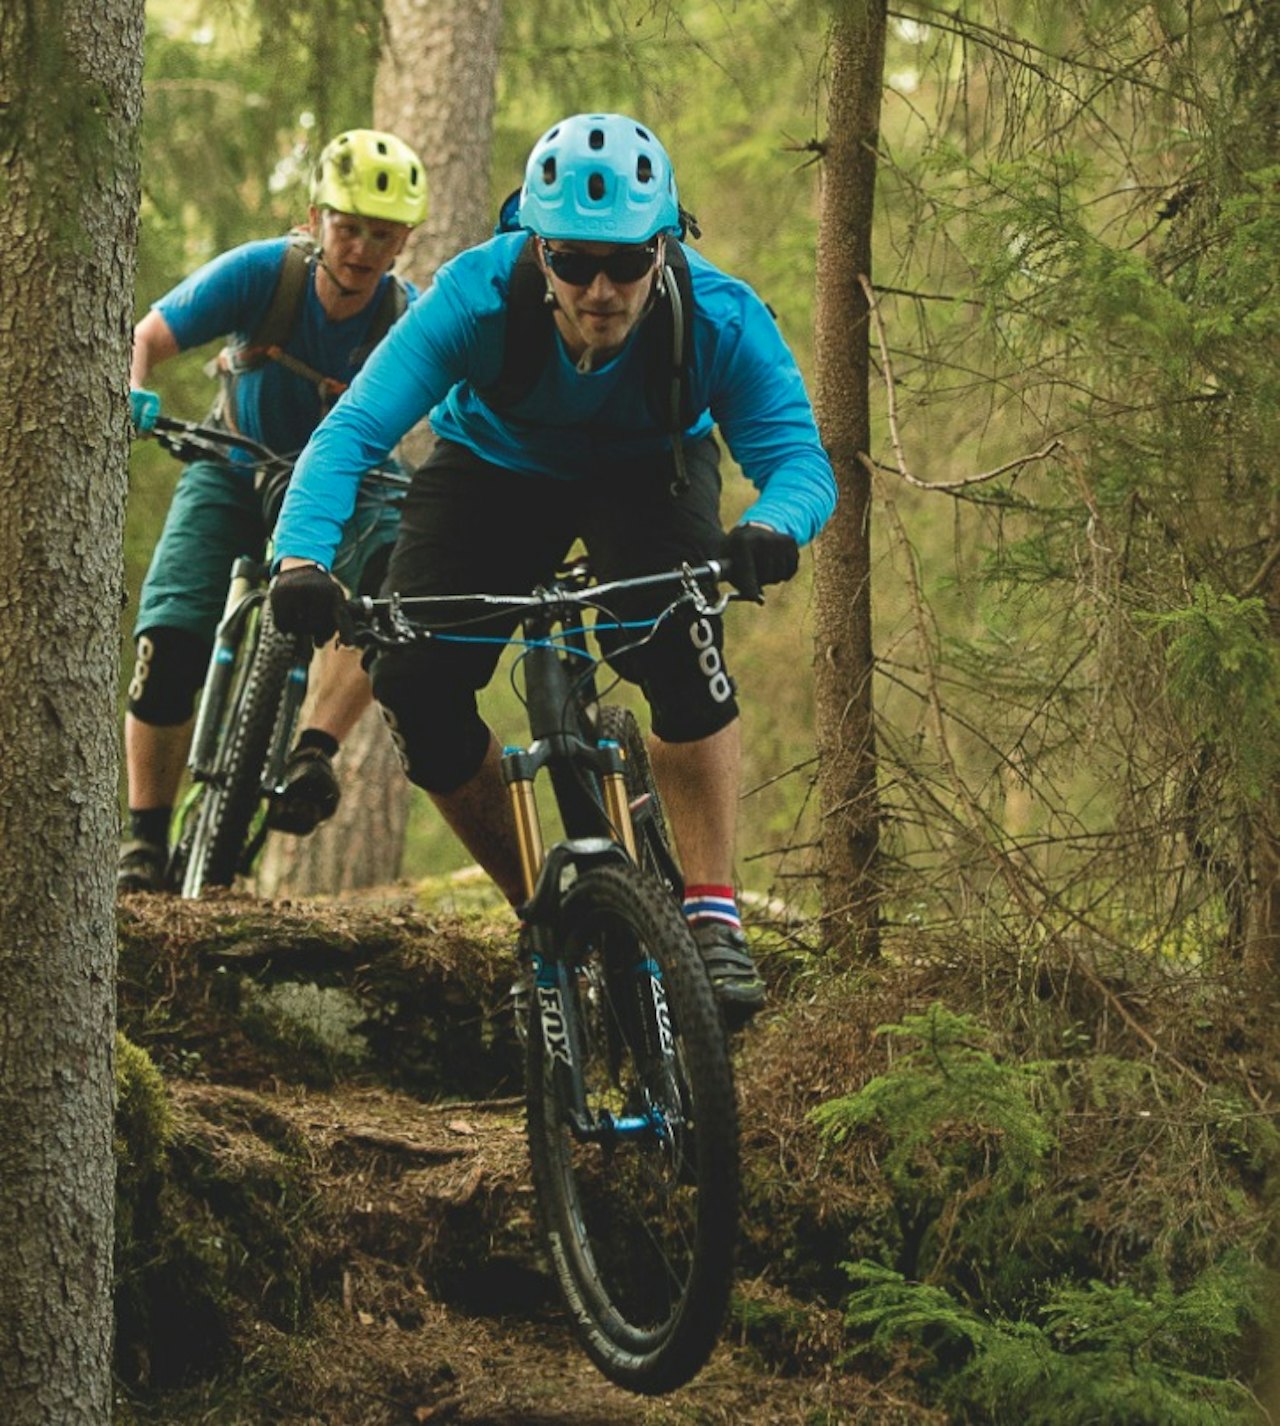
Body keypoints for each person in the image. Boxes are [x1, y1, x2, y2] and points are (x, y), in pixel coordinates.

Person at [269, 112, 836, 1022]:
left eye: (626, 262)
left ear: (667, 247)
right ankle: (542, 908)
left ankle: (713, 913)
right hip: (494, 472)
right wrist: (298, 558)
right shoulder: (476, 296)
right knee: (413, 677)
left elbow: (799, 460)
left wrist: (774, 525)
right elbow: (352, 432)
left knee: (681, 643)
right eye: (573, 262)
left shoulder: (719, 317)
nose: (601, 288)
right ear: (536, 249)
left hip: (649, 472)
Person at [118, 128, 428, 894]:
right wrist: (128, 392)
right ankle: (144, 841)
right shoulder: (264, 274)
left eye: (379, 234)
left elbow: (460, 404)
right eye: (347, 226)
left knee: (390, 590)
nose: (359, 248)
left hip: (353, 486)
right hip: (231, 466)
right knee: (166, 645)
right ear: (316, 216)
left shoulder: (408, 315)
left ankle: (313, 751)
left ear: (403, 242)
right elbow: (150, 335)